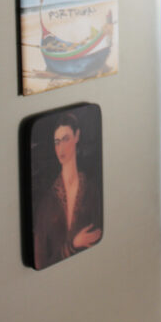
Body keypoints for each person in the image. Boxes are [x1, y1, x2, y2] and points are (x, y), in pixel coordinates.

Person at [33, 112, 102, 269]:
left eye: (66, 139)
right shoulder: (46, 202)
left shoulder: (91, 191)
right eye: (57, 142)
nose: (61, 148)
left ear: (77, 136)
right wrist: (72, 245)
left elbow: (99, 237)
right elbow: (40, 261)